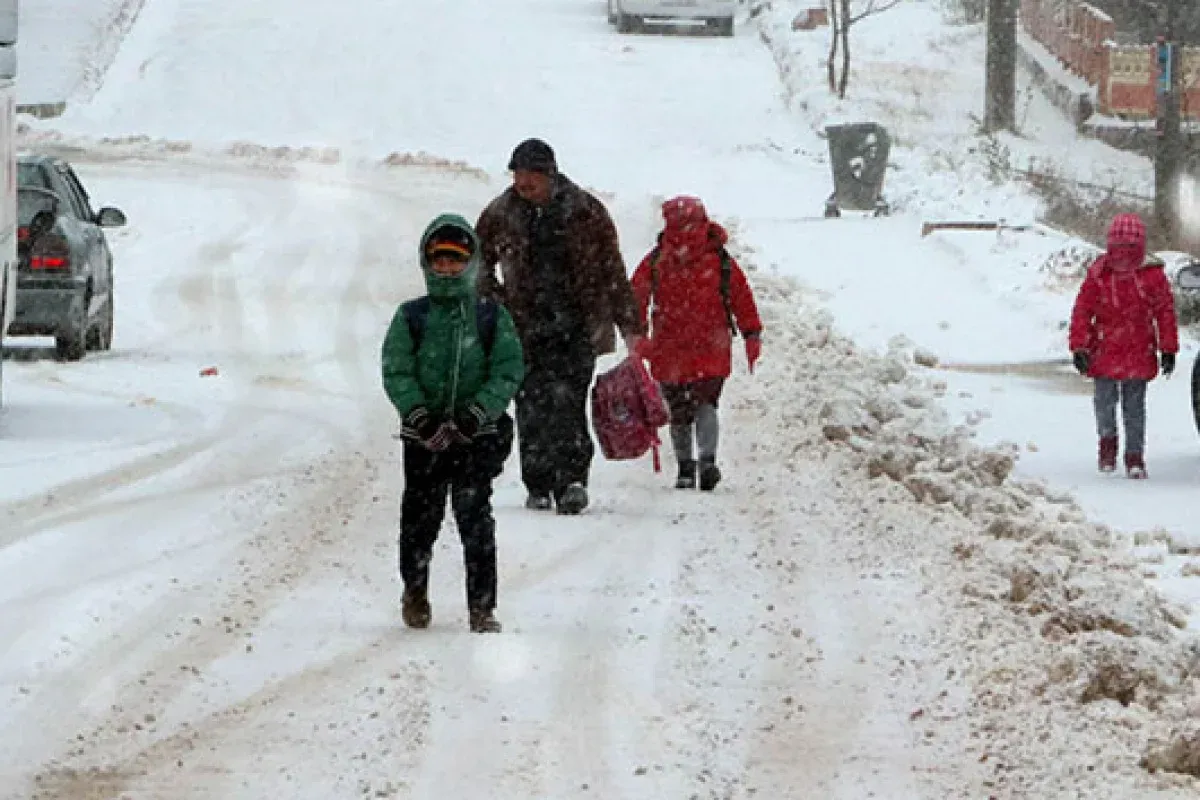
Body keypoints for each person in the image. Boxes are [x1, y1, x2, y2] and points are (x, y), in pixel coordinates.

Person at [475, 138, 644, 515]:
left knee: (568, 404)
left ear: (549, 174)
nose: (522, 184)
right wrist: (493, 304)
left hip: (577, 327)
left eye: (529, 177)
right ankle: (537, 482)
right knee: (531, 404)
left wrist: (630, 325)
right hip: (523, 329)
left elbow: (612, 270)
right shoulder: (500, 212)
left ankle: (571, 481)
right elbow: (477, 265)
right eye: (517, 175)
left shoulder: (586, 211)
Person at [381, 214, 525, 633]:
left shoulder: (490, 316)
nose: (447, 268)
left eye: (455, 261)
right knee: (419, 519)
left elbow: (507, 369)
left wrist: (477, 413)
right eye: (439, 260)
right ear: (427, 263)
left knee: (474, 517)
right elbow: (397, 370)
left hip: (474, 437)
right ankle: (415, 591)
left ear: (472, 263)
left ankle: (482, 607)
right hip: (422, 438)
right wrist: (419, 416)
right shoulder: (411, 316)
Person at [630, 196, 763, 491]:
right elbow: (742, 297)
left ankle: (685, 467)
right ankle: (707, 461)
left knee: (678, 411)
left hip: (670, 346)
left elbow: (636, 296)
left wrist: (637, 334)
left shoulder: (657, 259)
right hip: (710, 346)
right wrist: (751, 333)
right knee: (706, 404)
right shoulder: (719, 260)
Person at [1068, 212, 1178, 479]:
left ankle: (1134, 456)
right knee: (1106, 403)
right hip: (1106, 348)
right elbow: (1083, 310)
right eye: (1119, 249)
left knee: (1133, 406)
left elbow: (1164, 312)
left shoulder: (1151, 276)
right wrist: (1079, 345)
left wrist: (1168, 347)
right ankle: (1108, 448)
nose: (1123, 255)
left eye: (1129, 249)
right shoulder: (1100, 275)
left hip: (1134, 348)